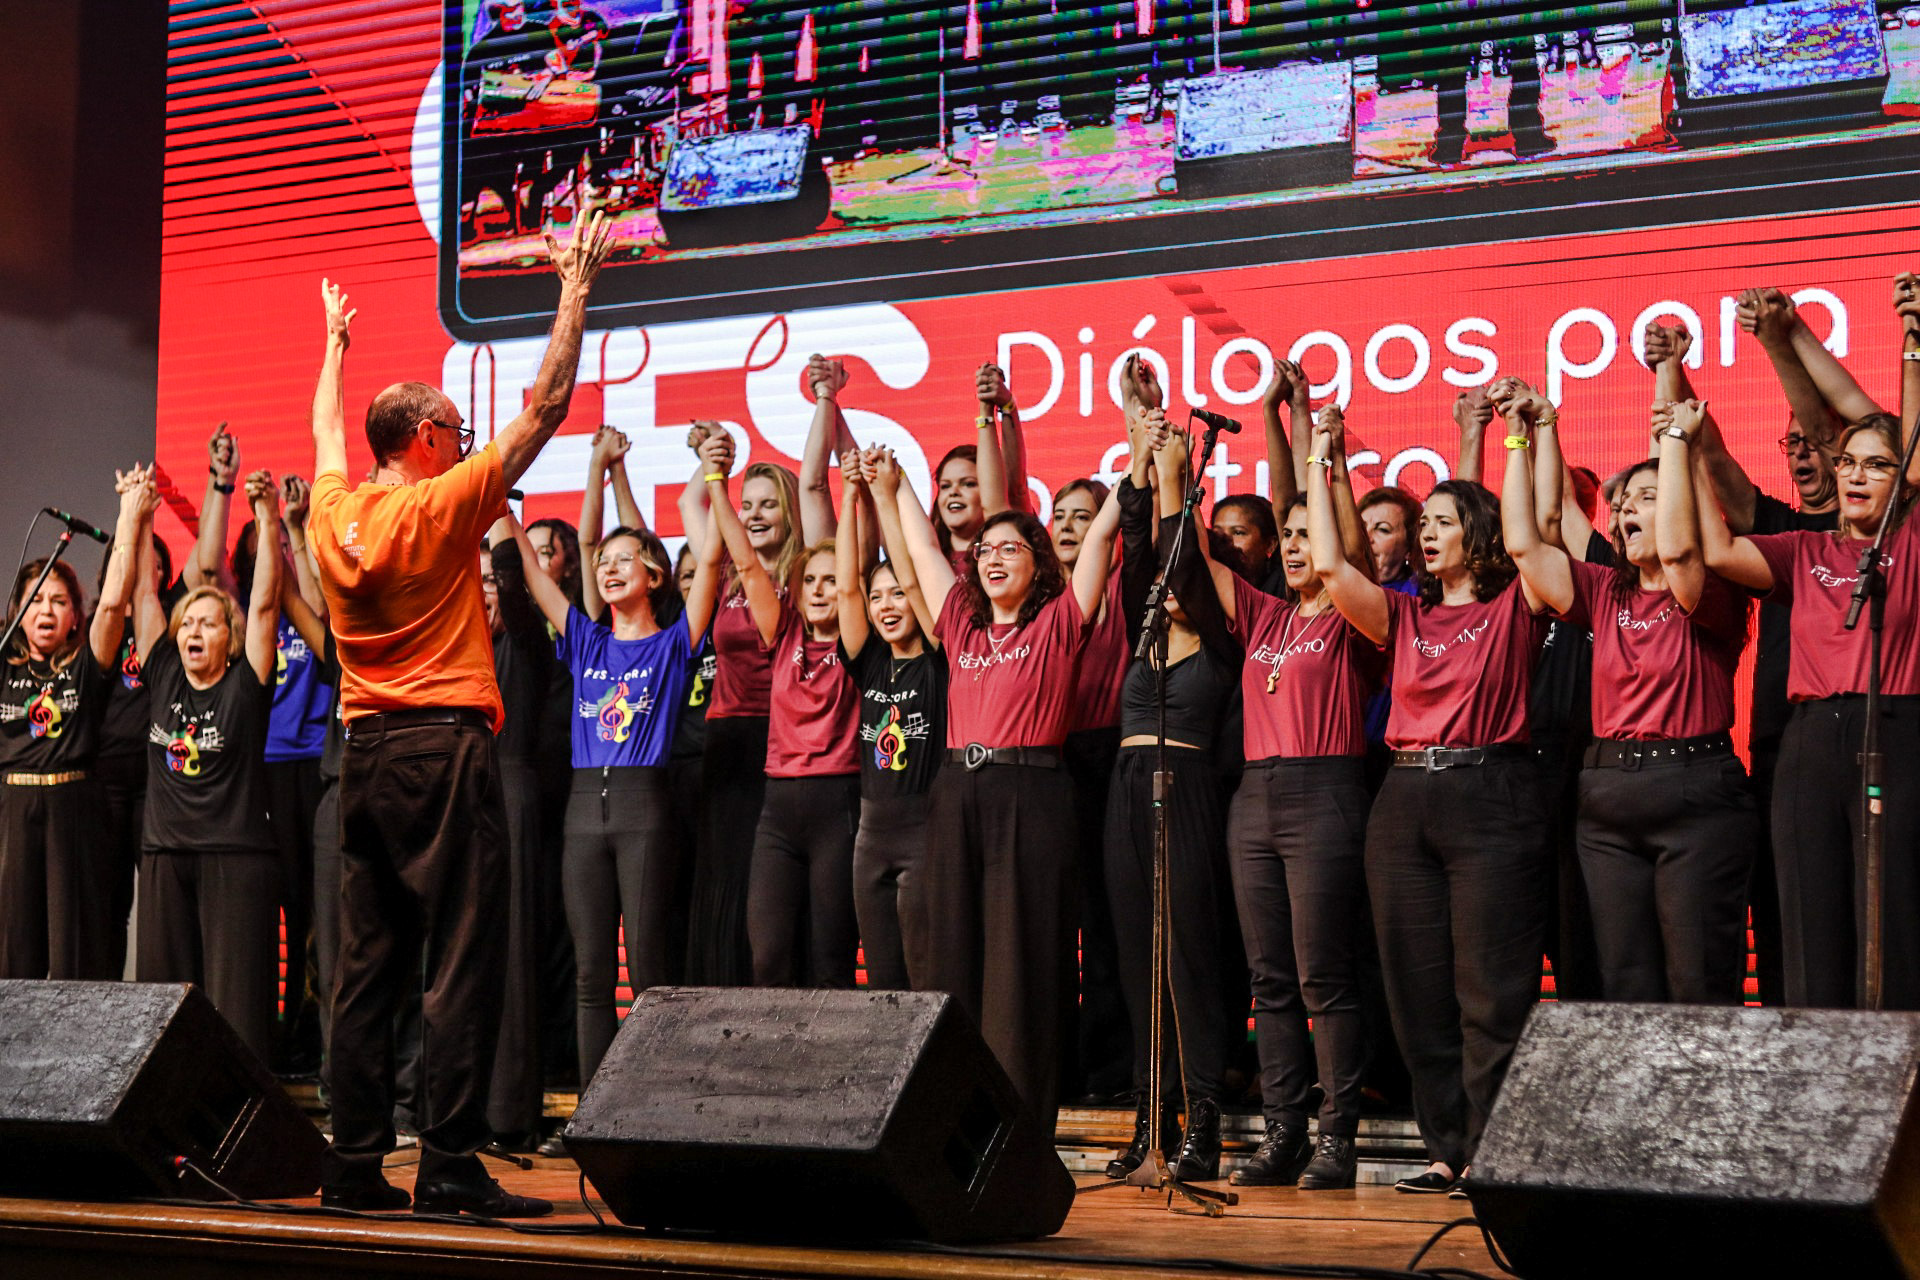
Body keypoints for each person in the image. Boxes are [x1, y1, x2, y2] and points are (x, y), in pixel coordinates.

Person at [307, 213, 613, 1215]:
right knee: (463, 961)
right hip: (443, 751)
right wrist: (574, 285)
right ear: (428, 439)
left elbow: (325, 433)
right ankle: (445, 1166)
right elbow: (548, 406)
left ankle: (353, 1166)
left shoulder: (332, 513)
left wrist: (333, 348)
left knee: (367, 971)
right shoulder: (437, 506)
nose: (465, 444)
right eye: (455, 432)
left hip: (364, 758)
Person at [1312, 424, 1547, 1197]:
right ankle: (1445, 1147)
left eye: (1444, 521)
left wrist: (1520, 442)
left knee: (1491, 989)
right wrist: (1319, 457)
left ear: (1477, 532)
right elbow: (1330, 566)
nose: (1427, 533)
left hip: (1490, 793)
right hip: (1405, 797)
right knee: (1417, 991)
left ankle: (1491, 1149)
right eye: (1425, 523)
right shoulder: (1405, 616)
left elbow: (1530, 536)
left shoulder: (1515, 605)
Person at [1171, 406, 1379, 1191]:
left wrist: (1323, 462)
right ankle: (1284, 1130)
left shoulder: (1356, 615)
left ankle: (1337, 1135)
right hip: (1254, 799)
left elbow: (1345, 550)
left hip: (1325, 792)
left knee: (1324, 974)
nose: (1294, 548)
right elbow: (1192, 556)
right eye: (1285, 538)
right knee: (1270, 979)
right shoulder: (1266, 615)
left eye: (1304, 536)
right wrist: (1171, 471)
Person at [884, 437, 1120, 1128]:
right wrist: (896, 483)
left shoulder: (1058, 622)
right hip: (957, 792)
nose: (991, 558)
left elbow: (1101, 536)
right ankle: (948, 1120)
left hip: (1031, 794)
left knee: (1021, 965)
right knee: (949, 956)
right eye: (984, 549)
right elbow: (923, 549)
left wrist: (1136, 465)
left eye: (1009, 548)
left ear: (1038, 563)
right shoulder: (962, 625)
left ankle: (1018, 1130)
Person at [1501, 386, 1756, 1004]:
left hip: (1695, 795)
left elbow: (1679, 551)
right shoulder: (1603, 588)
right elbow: (1525, 546)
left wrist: (1676, 441)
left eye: (1648, 498)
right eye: (1621, 504)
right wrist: (1520, 436)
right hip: (1608, 799)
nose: (1626, 511)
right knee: (1624, 985)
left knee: (1697, 984)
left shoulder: (1712, 587)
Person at [1692, 383, 1920, 1010]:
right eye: (1848, 462)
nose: (1856, 475)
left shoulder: (1912, 544)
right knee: (1808, 920)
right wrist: (1683, 449)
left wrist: (1913, 352)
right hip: (1810, 742)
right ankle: (1818, 1063)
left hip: (1896, 730)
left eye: (1877, 464)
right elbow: (1717, 551)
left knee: (1893, 920)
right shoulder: (1806, 547)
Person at [512, 458, 722, 1085]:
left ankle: (650, 1105)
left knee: (649, 971)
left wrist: (714, 479)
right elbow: (533, 574)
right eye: (602, 560)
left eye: (623, 559)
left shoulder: (674, 642)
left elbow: (712, 563)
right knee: (590, 975)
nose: (607, 567)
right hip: (582, 814)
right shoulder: (585, 640)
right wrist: (501, 508)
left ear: (654, 575)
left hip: (644, 810)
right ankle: (592, 1107)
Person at [1099, 412, 1243, 1183]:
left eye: (1175, 575)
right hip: (1126, 794)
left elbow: (1176, 554)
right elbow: (1138, 549)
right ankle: (1150, 1120)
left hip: (1185, 794)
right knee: (1136, 961)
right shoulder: (1142, 633)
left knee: (1187, 958)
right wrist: (1138, 453)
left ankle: (1204, 1118)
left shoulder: (1219, 643)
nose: (1163, 585)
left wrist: (1174, 478)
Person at [676, 355, 848, 986]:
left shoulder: (808, 575)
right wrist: (709, 458)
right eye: (745, 504)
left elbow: (817, 485)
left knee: (782, 890)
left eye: (767, 504)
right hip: (727, 738)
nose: (752, 514)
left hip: (786, 744)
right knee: (729, 881)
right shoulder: (722, 569)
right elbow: (692, 500)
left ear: (789, 513)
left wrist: (826, 401)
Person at [132, 466, 282, 1059]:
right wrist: (138, 517)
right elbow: (144, 596)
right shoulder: (165, 672)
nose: (194, 630)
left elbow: (265, 605)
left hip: (235, 859)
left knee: (235, 1011)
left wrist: (267, 517)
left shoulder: (245, 684)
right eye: (187, 622)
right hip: (165, 857)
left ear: (230, 635)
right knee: (161, 1012)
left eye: (208, 622)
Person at [0, 470, 148, 980]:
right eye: (36, 600)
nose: (46, 610)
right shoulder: (4, 664)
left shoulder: (85, 664)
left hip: (73, 809)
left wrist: (128, 515)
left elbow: (115, 601)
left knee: (74, 948)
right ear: (17, 612)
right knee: (12, 948)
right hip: (12, 809)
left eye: (59, 601)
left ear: (74, 616)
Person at [745, 455, 866, 989]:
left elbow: (854, 583)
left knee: (831, 957)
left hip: (837, 801)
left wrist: (855, 494)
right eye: (810, 580)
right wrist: (715, 480)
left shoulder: (858, 644)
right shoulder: (784, 633)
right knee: (769, 954)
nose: (819, 589)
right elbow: (747, 565)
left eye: (830, 580)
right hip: (778, 806)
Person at [845, 446, 947, 991]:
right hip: (870, 837)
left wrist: (886, 496)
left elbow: (912, 575)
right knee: (883, 983)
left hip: (924, 833)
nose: (886, 605)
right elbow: (847, 584)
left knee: (926, 979)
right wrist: (850, 495)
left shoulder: (938, 660)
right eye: (877, 598)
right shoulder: (868, 662)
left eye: (897, 597)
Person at [927, 362, 1029, 576]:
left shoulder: (1005, 549)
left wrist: (1006, 408)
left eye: (968, 484)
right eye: (945, 486)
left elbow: (1014, 486)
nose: (954, 492)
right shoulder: (928, 556)